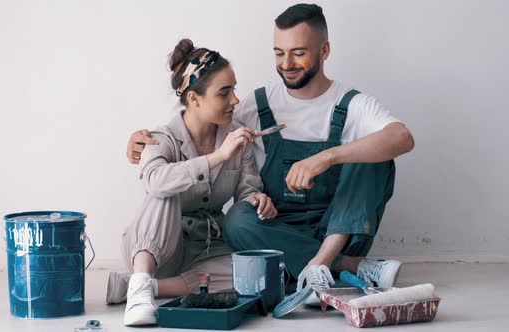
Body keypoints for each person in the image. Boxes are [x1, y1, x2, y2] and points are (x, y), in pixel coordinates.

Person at [127, 3, 415, 306]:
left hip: (337, 231)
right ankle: (340, 269)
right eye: (279, 53)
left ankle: (321, 264)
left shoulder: (351, 103)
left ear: (325, 50)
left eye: (299, 53)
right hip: (275, 234)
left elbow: (402, 138)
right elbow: (202, 117)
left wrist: (327, 157)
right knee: (238, 220)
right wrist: (140, 143)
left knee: (373, 153)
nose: (287, 63)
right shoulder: (255, 104)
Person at [110, 39, 277, 326]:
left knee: (251, 275)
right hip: (157, 249)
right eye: (225, 93)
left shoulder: (237, 136)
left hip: (208, 250)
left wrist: (256, 200)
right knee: (164, 188)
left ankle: (144, 287)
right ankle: (140, 284)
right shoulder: (161, 138)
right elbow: (154, 181)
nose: (235, 100)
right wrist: (218, 157)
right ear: (194, 99)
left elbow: (248, 189)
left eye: (234, 89)